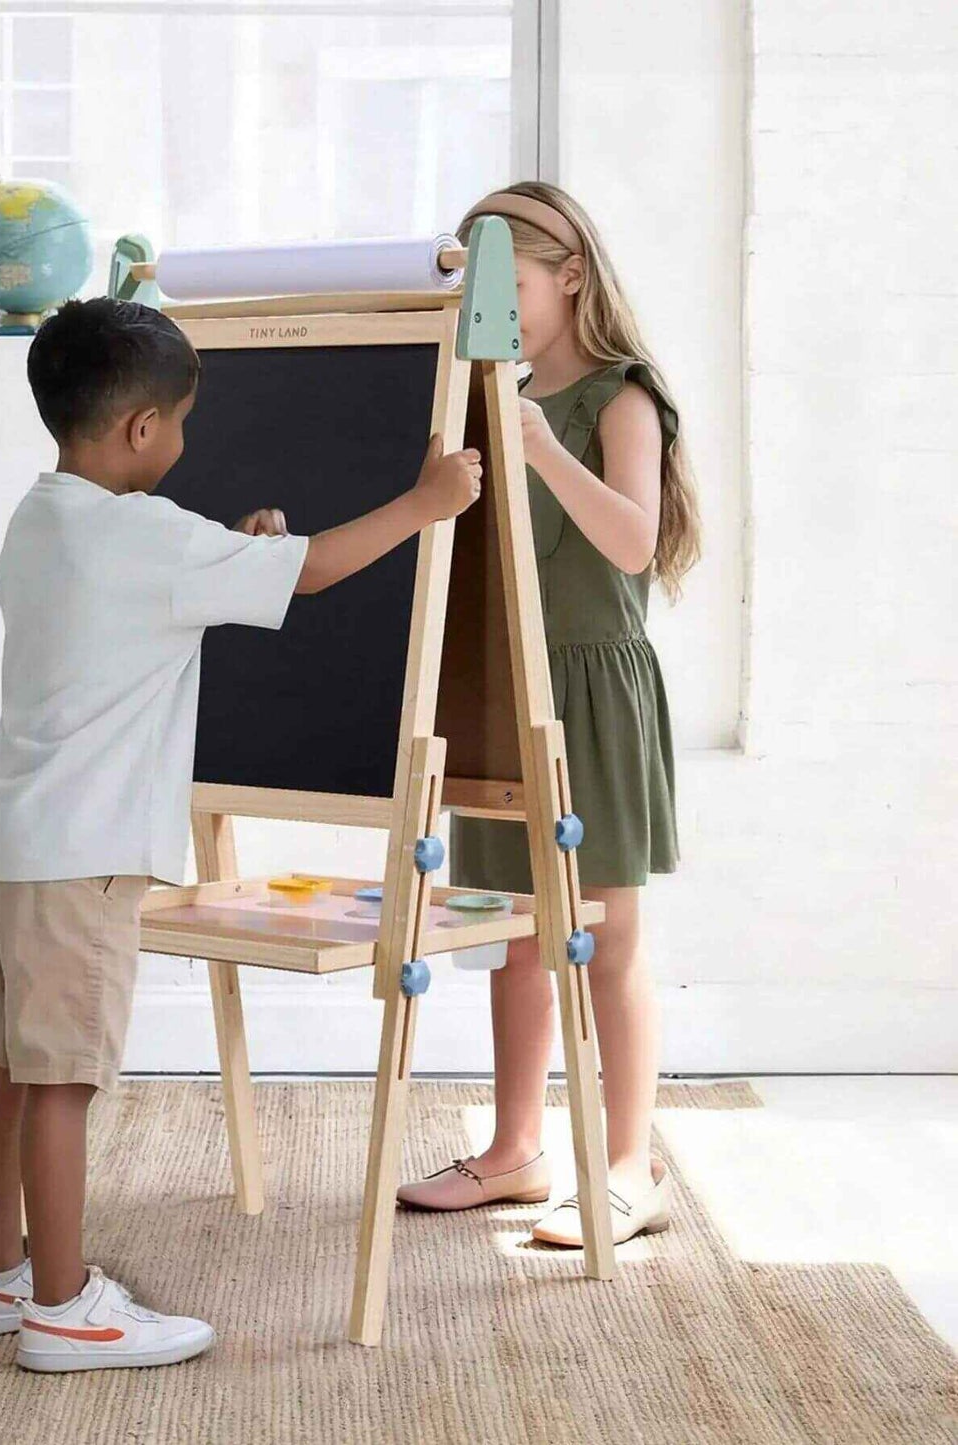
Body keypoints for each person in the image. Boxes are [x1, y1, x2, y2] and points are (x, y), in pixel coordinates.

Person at [0, 296, 483, 1371]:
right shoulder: (150, 536)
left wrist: (240, 554)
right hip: (83, 856)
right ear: (141, 429)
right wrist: (428, 500)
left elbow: (173, 588)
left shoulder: (40, 516)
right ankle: (62, 1309)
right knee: (63, 1081)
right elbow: (324, 566)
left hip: (6, 837)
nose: (187, 441)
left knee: (6, 1064)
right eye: (182, 421)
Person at [398, 183, 700, 1248]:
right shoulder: (498, 392)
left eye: (511, 287)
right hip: (507, 682)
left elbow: (628, 544)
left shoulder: (620, 397)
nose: (502, 312)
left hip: (592, 689)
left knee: (602, 934)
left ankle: (625, 1164)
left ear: (568, 275)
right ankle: (514, 1148)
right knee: (515, 935)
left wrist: (535, 446)